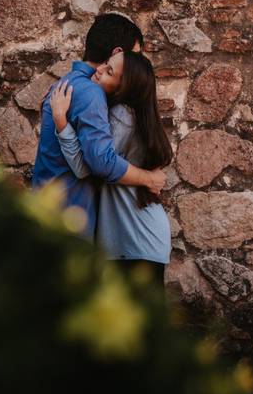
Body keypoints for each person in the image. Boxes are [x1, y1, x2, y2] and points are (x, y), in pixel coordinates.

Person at [32, 14, 165, 240]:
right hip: (68, 220)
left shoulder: (65, 83)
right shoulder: (91, 92)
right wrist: (148, 179)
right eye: (134, 55)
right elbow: (101, 162)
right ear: (116, 53)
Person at [50, 50, 173, 271]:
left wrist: (61, 123)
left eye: (109, 71)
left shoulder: (120, 117)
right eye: (106, 63)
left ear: (123, 87)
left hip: (133, 239)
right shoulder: (133, 115)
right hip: (140, 239)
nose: (98, 70)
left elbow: (85, 169)